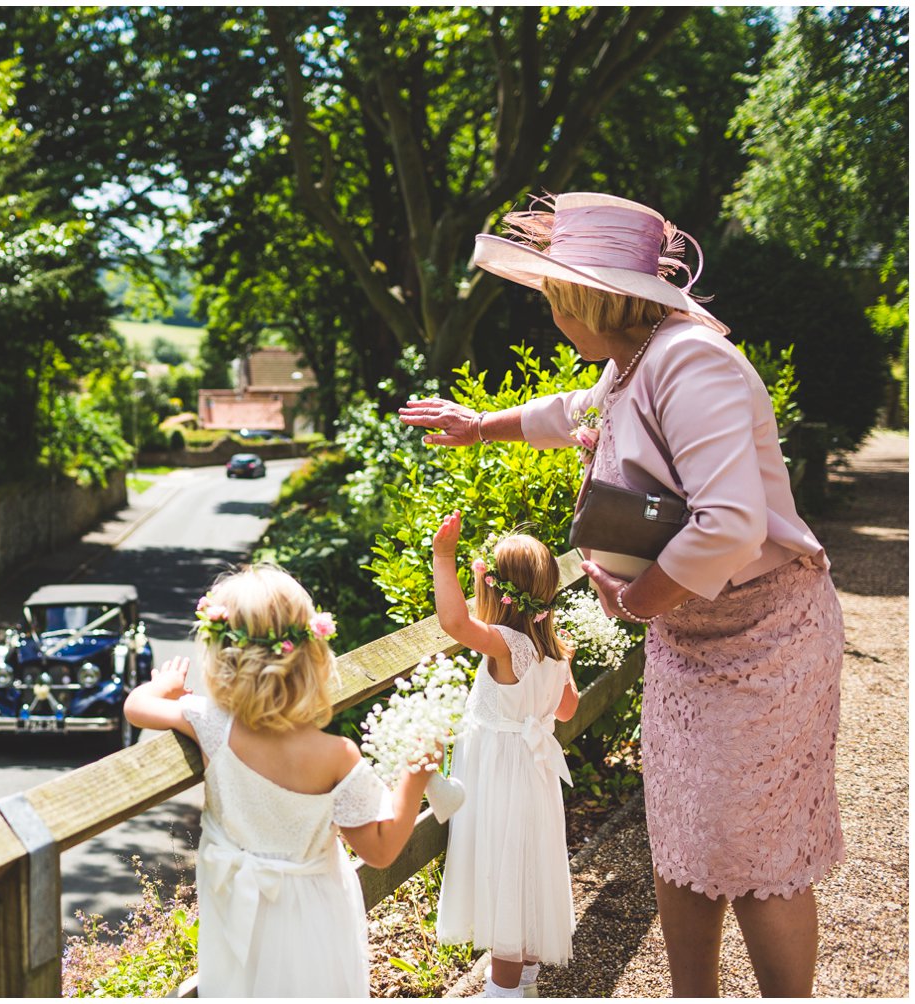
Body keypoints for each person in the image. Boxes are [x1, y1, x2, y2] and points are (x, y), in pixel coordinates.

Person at [399, 192, 844, 997]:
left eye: (550, 294)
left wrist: (638, 602)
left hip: (764, 637)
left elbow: (732, 525)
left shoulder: (691, 361)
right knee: (678, 831)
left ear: (582, 296)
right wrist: (481, 424)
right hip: (688, 638)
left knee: (759, 850)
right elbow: (573, 413)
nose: (547, 311)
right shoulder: (630, 365)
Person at [124, 563, 437, 997]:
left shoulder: (208, 723)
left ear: (220, 657)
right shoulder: (336, 756)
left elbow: (136, 707)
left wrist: (169, 686)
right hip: (314, 918)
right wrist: (414, 779)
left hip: (234, 908)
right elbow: (380, 851)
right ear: (310, 655)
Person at [429, 512, 580, 998]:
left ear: (498, 592)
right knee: (526, 876)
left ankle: (504, 993)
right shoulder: (554, 648)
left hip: (502, 777)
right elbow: (567, 707)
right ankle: (526, 986)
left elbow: (454, 621)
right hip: (533, 778)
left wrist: (444, 558)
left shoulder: (506, 644)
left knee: (505, 884)